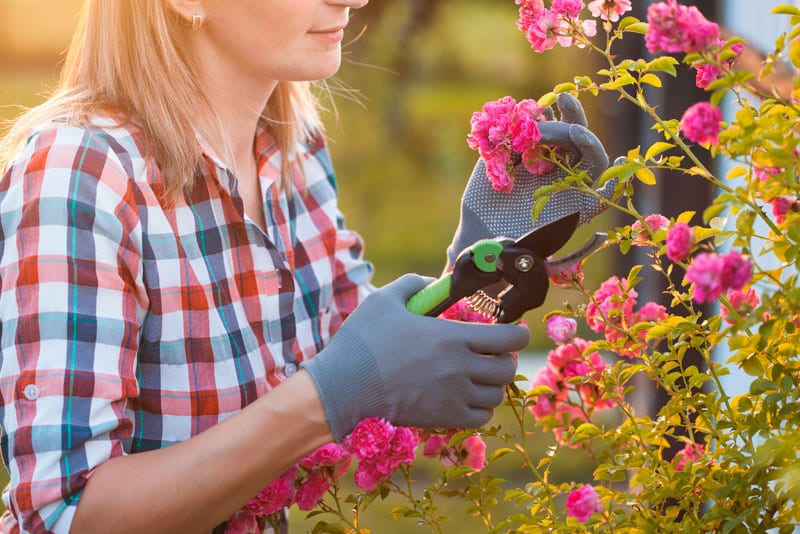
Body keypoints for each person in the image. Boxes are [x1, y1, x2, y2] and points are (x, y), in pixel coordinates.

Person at [0, 1, 611, 532]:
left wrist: (483, 263)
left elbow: (373, 360)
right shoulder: (82, 173)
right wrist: (328, 398)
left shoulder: (289, 146)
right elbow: (69, 517)